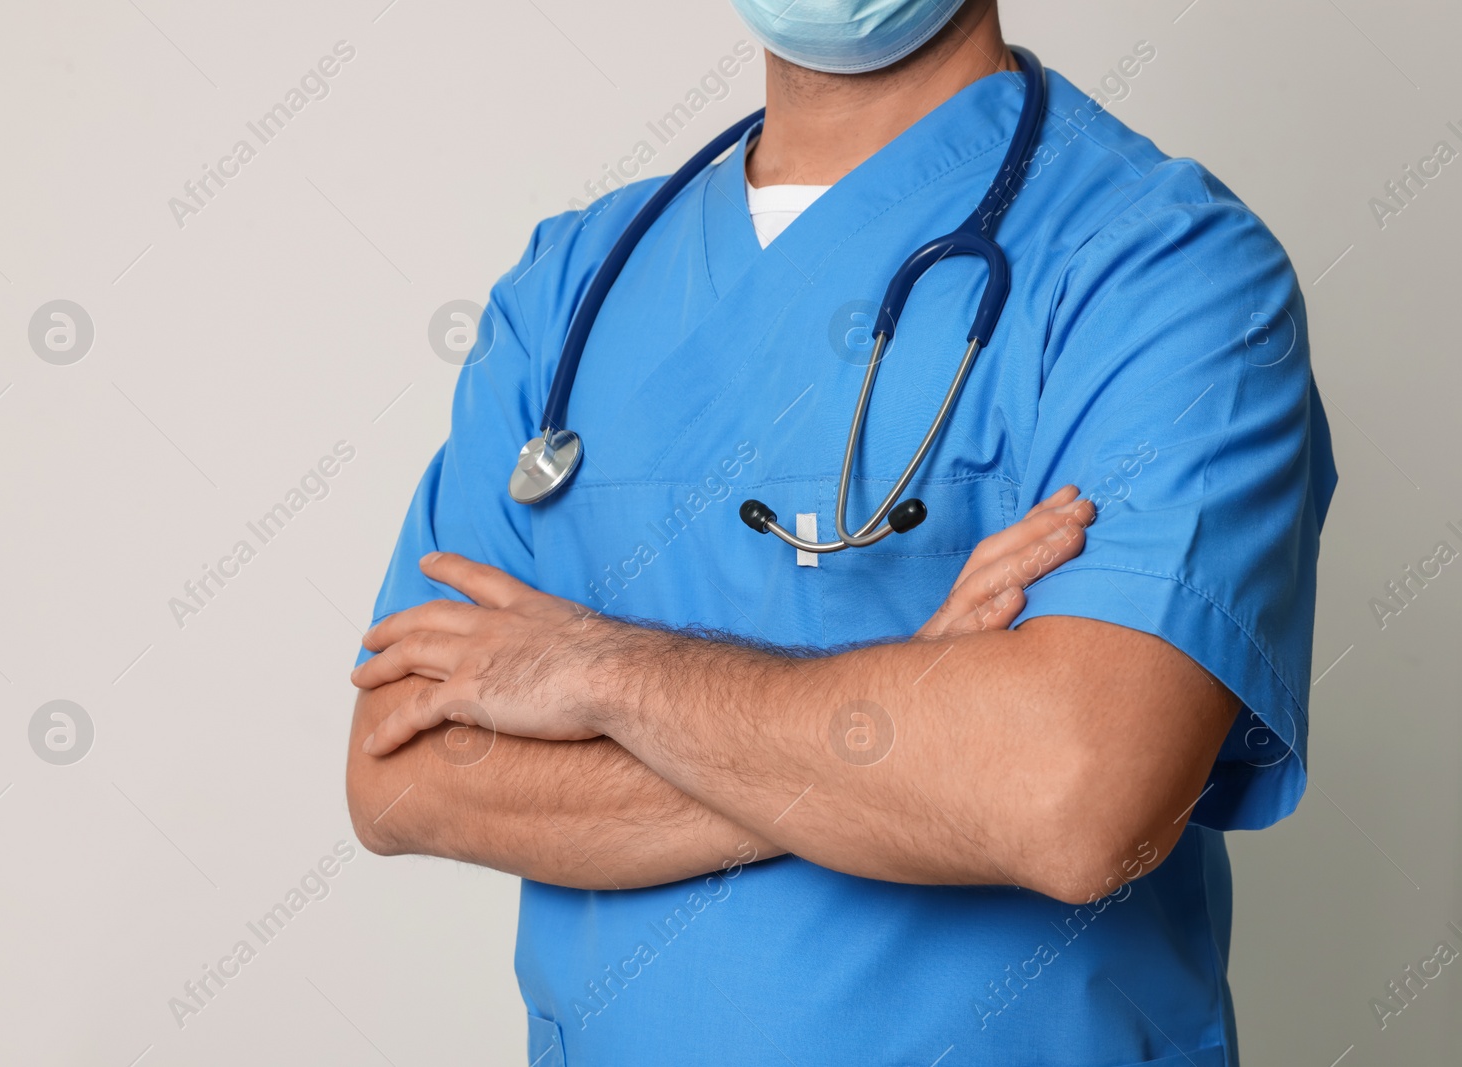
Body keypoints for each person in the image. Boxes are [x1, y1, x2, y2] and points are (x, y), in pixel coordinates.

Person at [345, 0, 1337, 1062]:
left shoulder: (1164, 269)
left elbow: (1073, 796)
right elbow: (399, 772)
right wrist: (904, 727)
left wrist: (607, 675)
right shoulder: (571, 288)